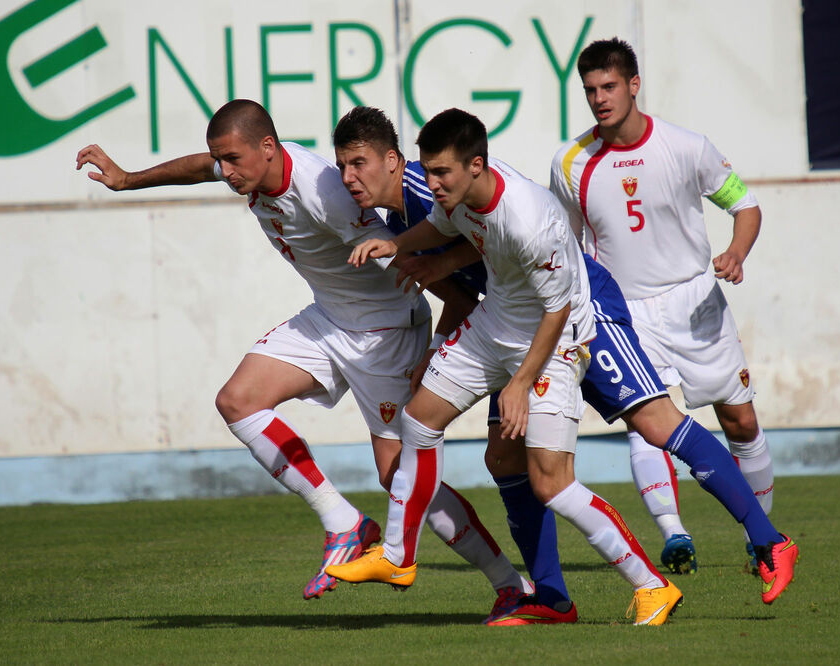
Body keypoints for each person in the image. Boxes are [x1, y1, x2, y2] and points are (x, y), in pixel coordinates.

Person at [332, 106, 799, 623]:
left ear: (472, 166)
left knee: (652, 424)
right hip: (507, 321)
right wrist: (404, 250)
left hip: (579, 318)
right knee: (498, 457)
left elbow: (553, 305)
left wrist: (518, 381)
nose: (431, 181)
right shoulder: (437, 200)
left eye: (359, 164)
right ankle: (543, 594)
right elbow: (463, 238)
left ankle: (767, 538)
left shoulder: (507, 211)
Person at [75, 100, 533, 613]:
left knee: (398, 473)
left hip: (383, 335)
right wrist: (127, 179)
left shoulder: (327, 196)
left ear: (267, 148)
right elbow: (197, 167)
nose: (224, 172)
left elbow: (407, 262)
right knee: (238, 401)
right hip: (328, 318)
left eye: (231, 159)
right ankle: (343, 522)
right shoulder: (249, 167)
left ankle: (509, 583)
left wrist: (439, 339)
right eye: (219, 160)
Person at [549, 38, 798, 599]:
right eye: (590, 90)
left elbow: (746, 205)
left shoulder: (688, 147)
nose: (599, 99)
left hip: (694, 302)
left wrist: (735, 252)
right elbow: (559, 240)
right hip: (624, 312)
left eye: (608, 86)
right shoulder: (571, 163)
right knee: (648, 422)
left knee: (741, 424)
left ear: (634, 84)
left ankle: (760, 543)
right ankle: (674, 533)